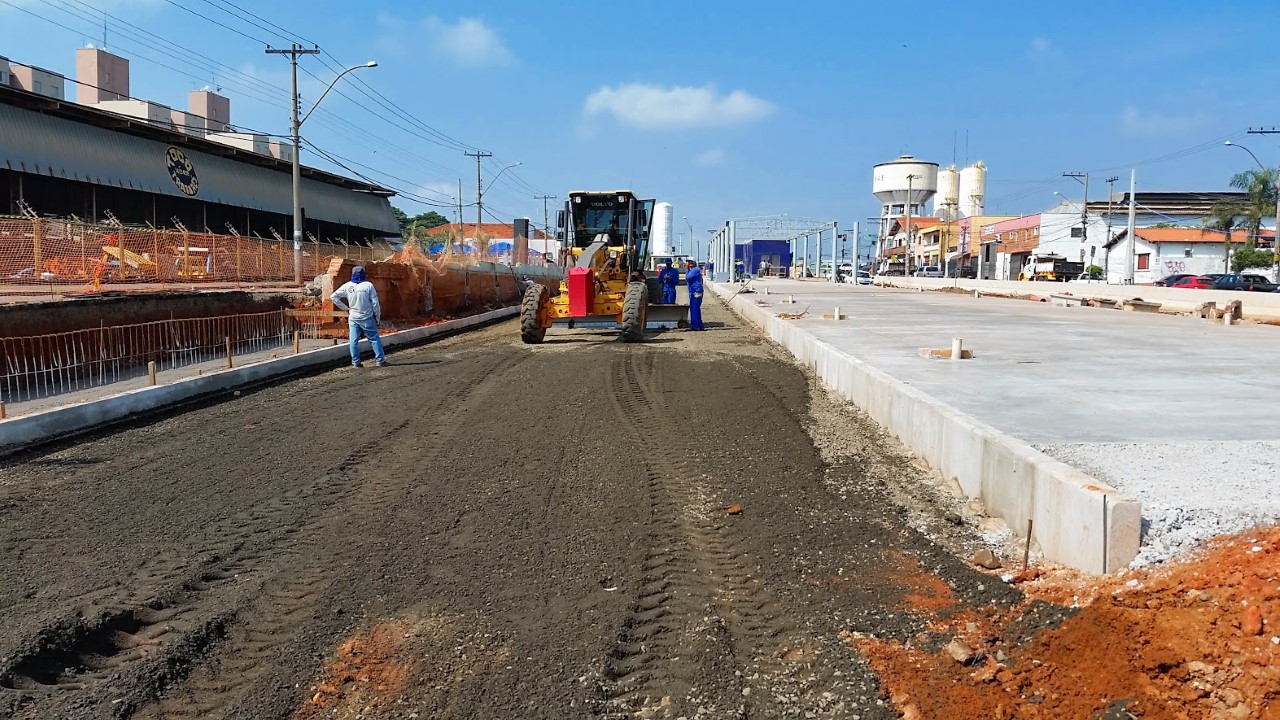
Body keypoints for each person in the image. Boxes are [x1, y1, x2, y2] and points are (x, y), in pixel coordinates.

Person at [330, 265, 387, 368]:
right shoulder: (368, 285)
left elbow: (333, 296)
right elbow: (375, 304)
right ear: (363, 274)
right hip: (367, 317)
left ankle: (355, 362)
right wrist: (377, 318)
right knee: (374, 339)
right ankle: (380, 360)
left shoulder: (347, 286)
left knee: (353, 340)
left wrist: (345, 308)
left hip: (353, 318)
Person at [685, 259, 704, 331]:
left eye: (690, 263)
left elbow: (687, 278)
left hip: (695, 291)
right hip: (696, 290)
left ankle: (695, 326)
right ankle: (699, 325)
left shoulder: (694, 270)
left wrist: (687, 270)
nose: (688, 264)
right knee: (696, 308)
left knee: (694, 308)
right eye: (688, 263)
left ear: (693, 263)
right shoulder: (696, 270)